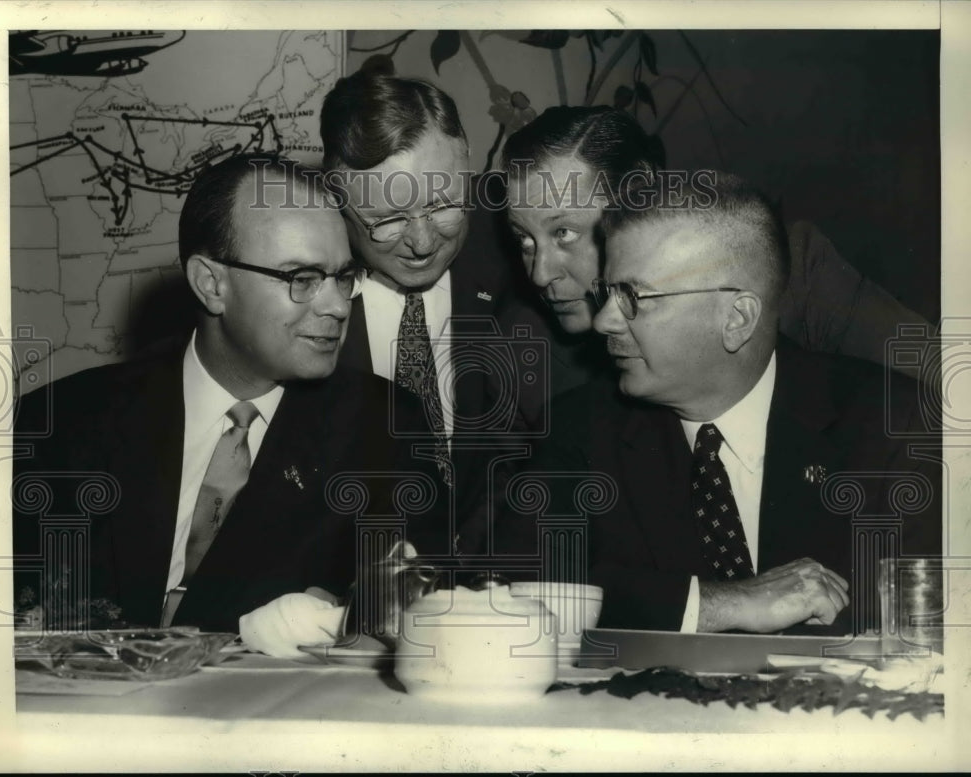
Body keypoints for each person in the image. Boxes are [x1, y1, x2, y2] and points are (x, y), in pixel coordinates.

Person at [12, 153, 446, 637]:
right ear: (211, 284)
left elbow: (416, 615)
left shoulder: (386, 430)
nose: (338, 306)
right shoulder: (59, 422)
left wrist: (351, 620)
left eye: (343, 277)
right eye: (302, 279)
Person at [503, 171, 940, 635]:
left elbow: (932, 624)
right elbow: (517, 590)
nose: (604, 321)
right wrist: (723, 604)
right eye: (607, 293)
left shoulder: (897, 428)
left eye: (632, 296)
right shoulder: (580, 429)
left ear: (737, 318)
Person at [498, 106, 935, 430]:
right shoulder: (521, 351)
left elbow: (945, 385)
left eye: (564, 233)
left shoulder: (790, 271)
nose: (540, 274)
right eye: (524, 239)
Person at [320, 69, 523, 555]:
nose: (424, 242)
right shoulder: (300, 294)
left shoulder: (523, 260)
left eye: (444, 206)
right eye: (388, 220)